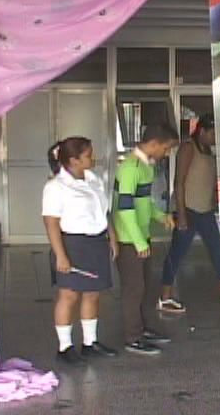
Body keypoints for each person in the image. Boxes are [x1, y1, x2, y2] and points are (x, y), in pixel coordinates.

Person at [158, 114, 220, 313]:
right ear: (201, 131)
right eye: (211, 134)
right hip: (189, 210)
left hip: (205, 211)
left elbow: (209, 180)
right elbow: (179, 181)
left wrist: (214, 200)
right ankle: (164, 297)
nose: (214, 138)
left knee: (217, 249)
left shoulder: (208, 151)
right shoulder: (188, 148)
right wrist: (182, 214)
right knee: (176, 254)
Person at [42, 137, 119, 365]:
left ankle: (89, 343)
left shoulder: (93, 179)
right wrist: (61, 255)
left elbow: (105, 212)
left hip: (96, 242)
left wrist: (111, 237)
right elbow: (51, 223)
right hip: (72, 244)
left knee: (93, 293)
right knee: (69, 295)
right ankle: (65, 347)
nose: (93, 158)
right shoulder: (56, 186)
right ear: (73, 160)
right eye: (88, 155)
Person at [113, 124, 179, 355]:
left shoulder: (146, 168)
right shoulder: (130, 168)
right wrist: (138, 242)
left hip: (142, 237)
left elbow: (144, 204)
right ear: (153, 144)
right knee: (134, 288)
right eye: (167, 148)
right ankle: (132, 337)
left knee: (144, 287)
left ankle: (141, 329)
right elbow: (125, 209)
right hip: (129, 240)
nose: (167, 153)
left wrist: (161, 216)